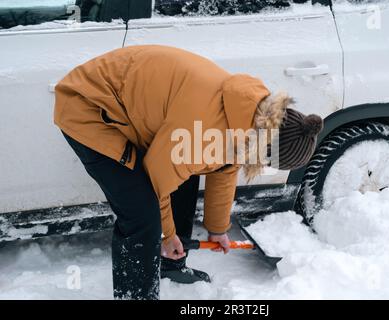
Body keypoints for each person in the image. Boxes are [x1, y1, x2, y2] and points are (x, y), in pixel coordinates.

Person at [54, 45, 323, 300]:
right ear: (266, 146)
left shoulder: (247, 113)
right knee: (142, 215)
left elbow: (225, 166)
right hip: (90, 107)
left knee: (184, 177)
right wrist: (166, 235)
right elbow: (157, 182)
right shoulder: (203, 131)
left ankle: (169, 264)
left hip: (130, 104)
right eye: (269, 160)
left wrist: (217, 229)